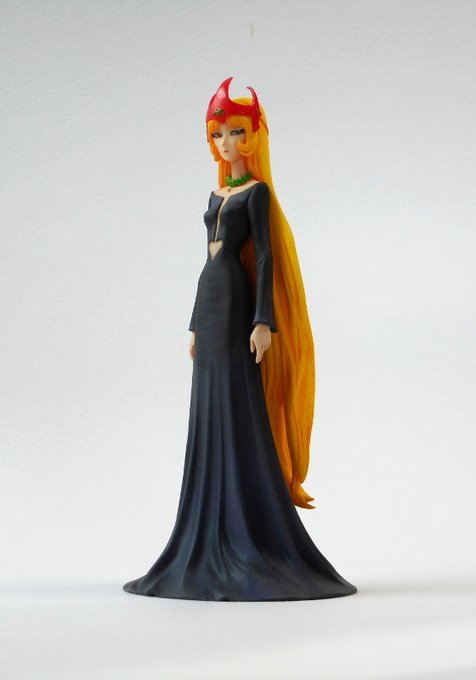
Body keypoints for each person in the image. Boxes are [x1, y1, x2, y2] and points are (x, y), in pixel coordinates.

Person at [123, 77, 357, 601]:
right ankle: (204, 523)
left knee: (236, 402)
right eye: (218, 133)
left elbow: (266, 257)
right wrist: (192, 322)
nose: (226, 142)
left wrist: (264, 321)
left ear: (251, 136)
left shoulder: (256, 193)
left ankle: (246, 527)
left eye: (234, 131)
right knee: (207, 405)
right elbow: (204, 260)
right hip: (210, 301)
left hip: (237, 302)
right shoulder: (216, 194)